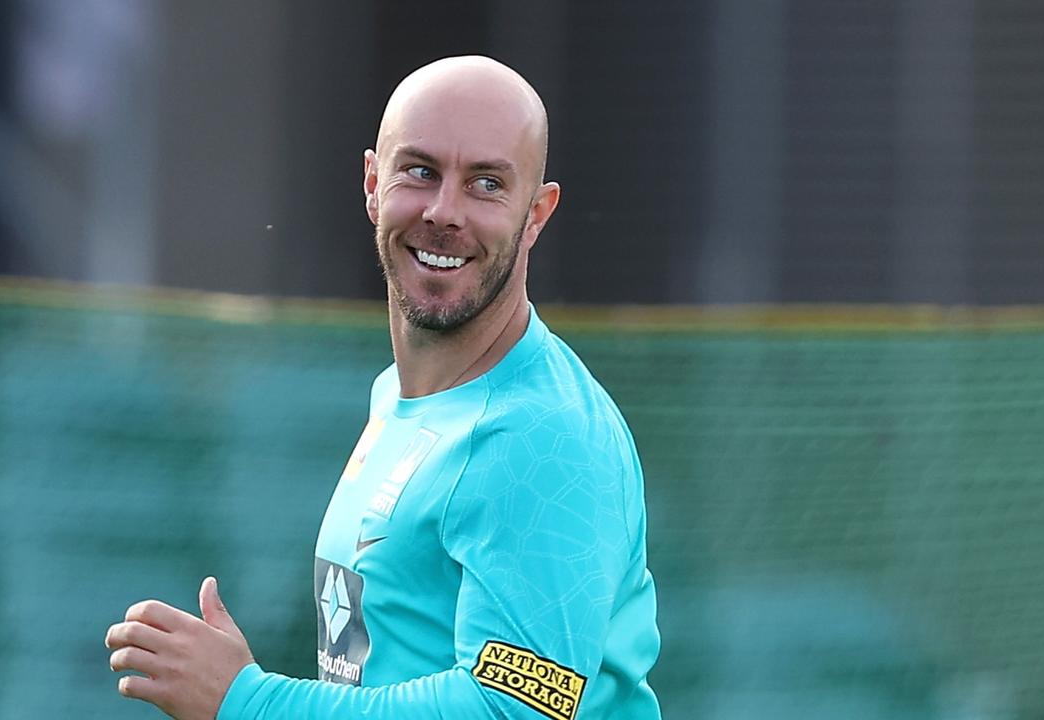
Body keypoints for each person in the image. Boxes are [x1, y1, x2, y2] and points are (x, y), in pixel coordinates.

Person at [105, 55, 662, 720]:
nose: (444, 211)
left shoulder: (547, 435)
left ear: (536, 214)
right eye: (420, 172)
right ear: (373, 182)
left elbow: (510, 712)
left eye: (486, 184)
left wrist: (249, 702)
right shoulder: (394, 398)